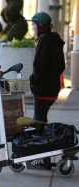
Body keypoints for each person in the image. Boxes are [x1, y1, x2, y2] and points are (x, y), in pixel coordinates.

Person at [28, 12, 65, 169]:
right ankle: (45, 158)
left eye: (34, 25)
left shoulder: (44, 41)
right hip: (52, 89)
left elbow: (39, 68)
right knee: (42, 120)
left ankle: (43, 160)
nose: (32, 27)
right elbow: (62, 66)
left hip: (42, 89)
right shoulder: (55, 39)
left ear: (40, 26)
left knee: (39, 123)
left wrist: (32, 79)